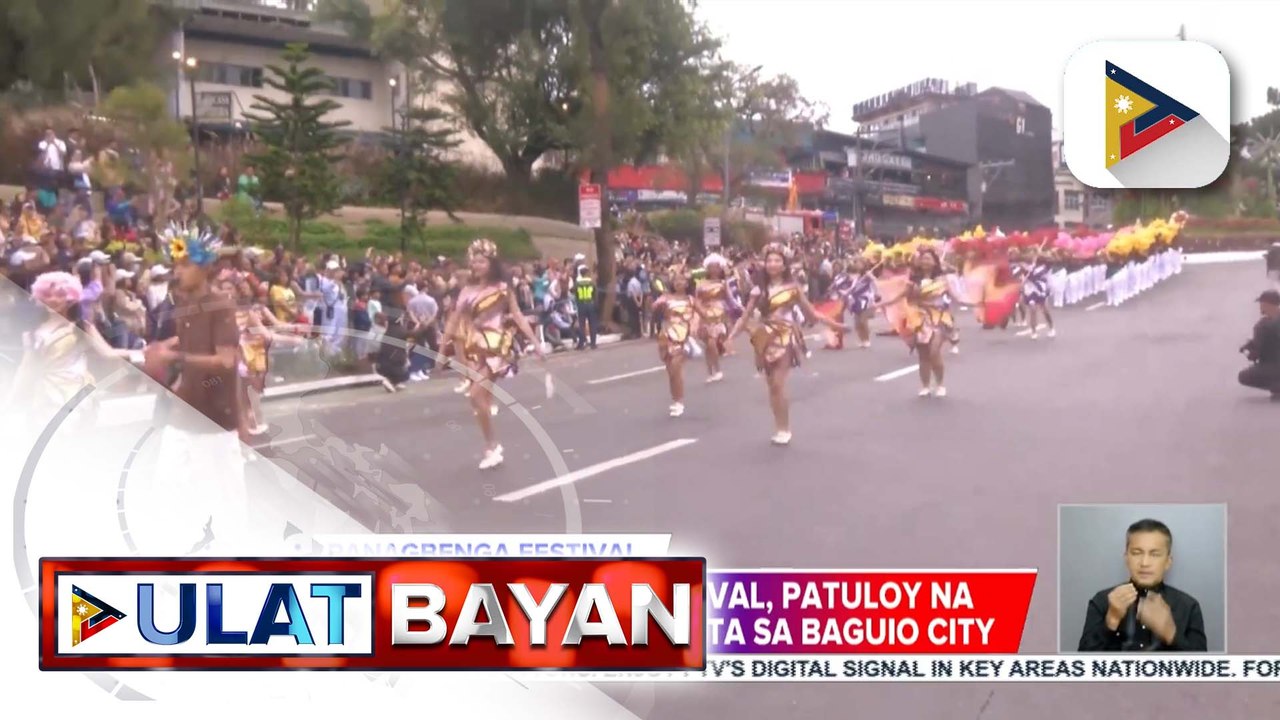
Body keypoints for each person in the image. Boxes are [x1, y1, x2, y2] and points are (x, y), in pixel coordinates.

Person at [137, 224, 247, 552]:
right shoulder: (182, 304)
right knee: (166, 489)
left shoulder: (221, 306)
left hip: (214, 418)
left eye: (185, 265)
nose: (178, 271)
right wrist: (163, 351)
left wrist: (177, 355)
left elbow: (226, 361)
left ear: (204, 268)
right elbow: (187, 348)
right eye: (176, 265)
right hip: (183, 414)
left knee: (226, 500)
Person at [728, 242, 846, 445]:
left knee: (777, 384)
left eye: (777, 260)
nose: (773, 264)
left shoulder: (793, 288)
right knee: (771, 386)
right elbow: (745, 316)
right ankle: (778, 424)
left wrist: (835, 325)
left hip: (786, 335)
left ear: (784, 265)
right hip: (764, 338)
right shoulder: (758, 291)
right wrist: (730, 337)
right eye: (769, 260)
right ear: (764, 264)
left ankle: (784, 428)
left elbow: (812, 313)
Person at [443, 239, 544, 469]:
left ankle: (492, 446)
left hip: (498, 346)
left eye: (482, 261)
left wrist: (536, 343)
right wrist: (441, 349)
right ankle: (491, 442)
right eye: (474, 261)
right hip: (476, 346)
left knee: (476, 393)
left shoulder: (502, 289)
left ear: (491, 263)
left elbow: (517, 315)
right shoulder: (467, 290)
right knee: (477, 397)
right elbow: (454, 320)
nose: (476, 265)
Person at [1077, 518, 1208, 652]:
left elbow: (1205, 669)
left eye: (1155, 554)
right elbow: (1081, 666)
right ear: (1126, 558)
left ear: (1168, 562)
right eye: (1136, 553)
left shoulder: (1189, 606)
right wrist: (1111, 620)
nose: (1145, 563)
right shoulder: (1102, 601)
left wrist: (1171, 635)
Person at [876, 249, 955, 397]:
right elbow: (900, 296)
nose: (925, 261)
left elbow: (955, 295)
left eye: (929, 259)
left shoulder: (943, 279)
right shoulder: (913, 280)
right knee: (923, 354)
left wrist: (974, 301)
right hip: (919, 318)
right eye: (923, 259)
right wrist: (881, 304)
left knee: (934, 351)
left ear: (935, 261)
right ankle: (925, 386)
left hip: (939, 318)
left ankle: (939, 384)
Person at [652, 266, 703, 417]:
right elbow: (654, 309)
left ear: (687, 283)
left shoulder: (691, 300)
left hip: (683, 336)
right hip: (666, 335)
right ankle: (675, 399)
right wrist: (657, 304)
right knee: (670, 371)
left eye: (682, 280)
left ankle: (679, 401)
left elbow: (701, 314)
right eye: (676, 281)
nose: (679, 283)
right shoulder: (666, 298)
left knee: (676, 367)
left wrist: (695, 323)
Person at [695, 253, 731, 382]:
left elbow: (730, 300)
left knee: (712, 342)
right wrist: (700, 311)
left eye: (716, 267)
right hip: (704, 313)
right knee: (707, 345)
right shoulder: (701, 284)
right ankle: (710, 372)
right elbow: (696, 300)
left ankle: (718, 369)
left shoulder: (723, 283)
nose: (714, 270)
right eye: (711, 267)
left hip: (718, 313)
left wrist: (733, 314)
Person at [1238, 289, 1280, 400]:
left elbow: (1255, 354)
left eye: (1261, 304)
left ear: (1267, 304)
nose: (1260, 307)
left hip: (1275, 367)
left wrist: (1248, 351)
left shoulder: (1263, 325)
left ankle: (1277, 386)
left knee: (1243, 376)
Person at [572, 263, 598, 349]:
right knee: (592, 324)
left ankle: (581, 344)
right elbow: (595, 293)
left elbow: (574, 293)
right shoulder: (591, 282)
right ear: (587, 273)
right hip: (590, 304)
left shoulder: (577, 283)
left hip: (581, 305)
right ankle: (593, 343)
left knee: (582, 325)